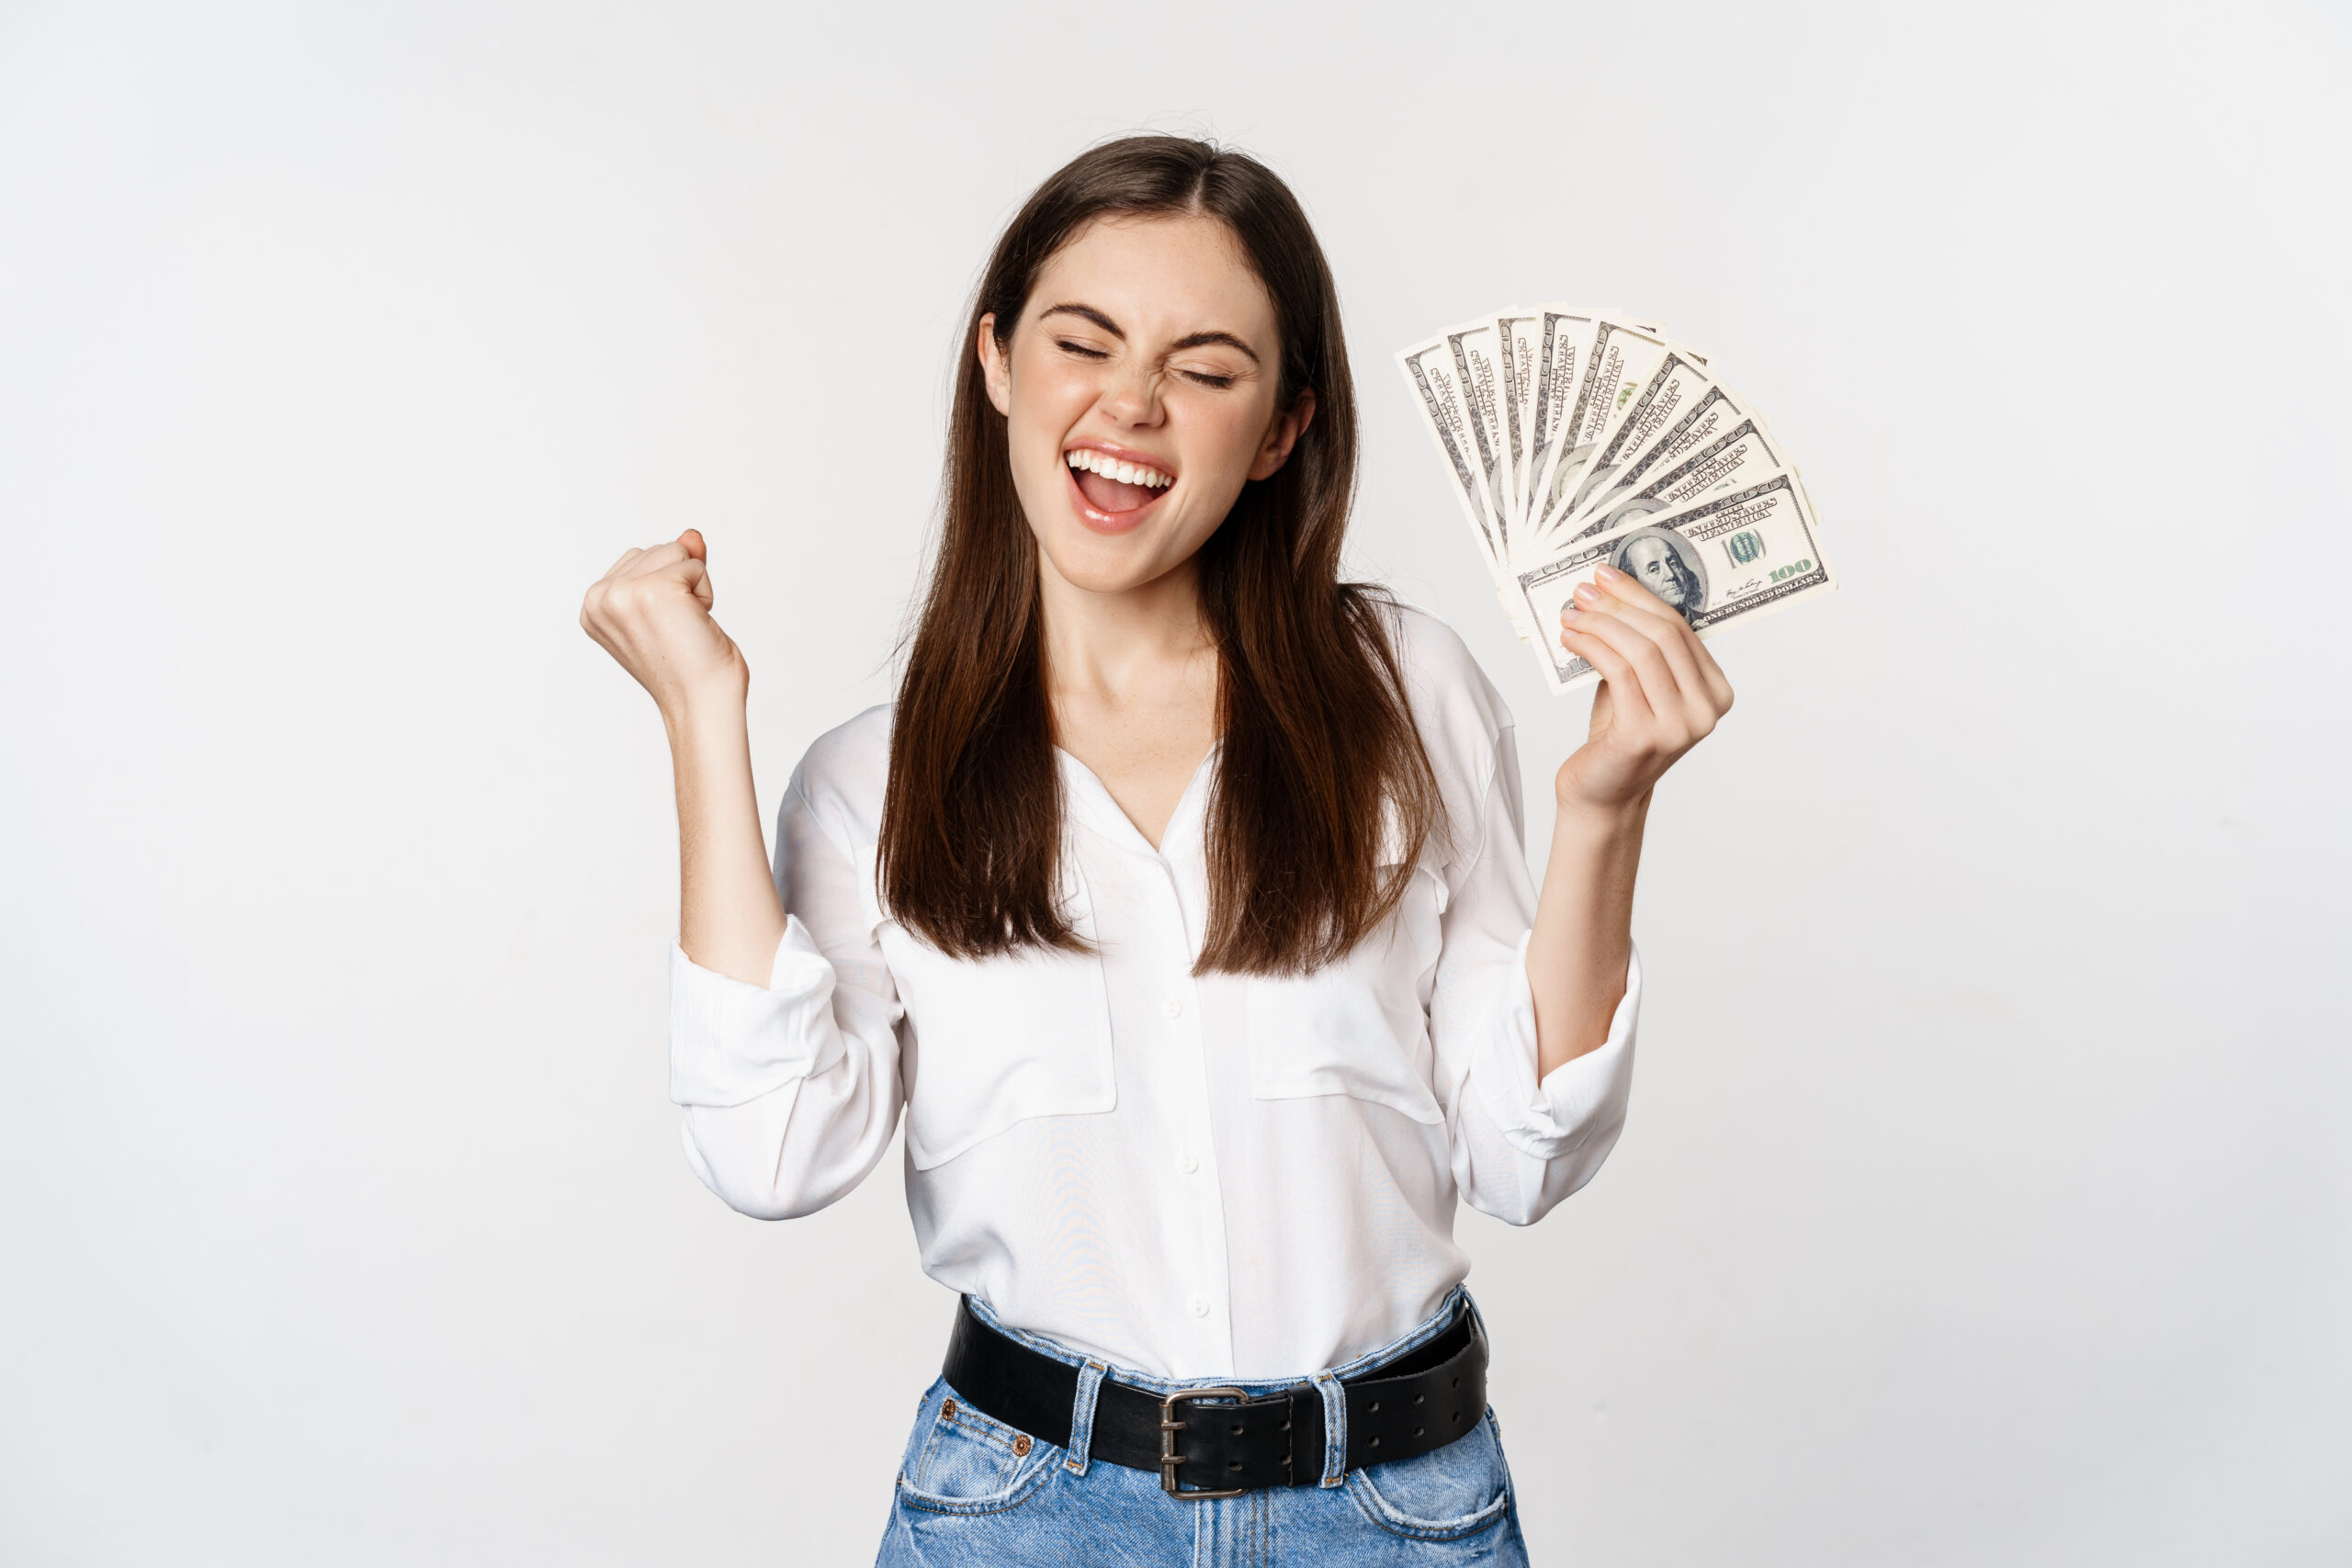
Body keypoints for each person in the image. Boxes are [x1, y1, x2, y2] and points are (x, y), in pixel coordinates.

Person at [580, 135, 1733, 1565]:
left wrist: (1608, 808)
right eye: (1084, 341)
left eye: (1206, 367)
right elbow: (772, 1149)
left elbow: (1521, 1149)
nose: (1130, 402)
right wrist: (704, 713)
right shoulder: (870, 783)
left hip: (1394, 1509)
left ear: (1283, 431)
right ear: (996, 360)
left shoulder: (1405, 690)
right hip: (1022, 1516)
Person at [1611, 529, 1707, 627]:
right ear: (1635, 583)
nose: (1671, 575)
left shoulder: (1706, 619)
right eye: (1654, 570)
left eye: (1673, 563)